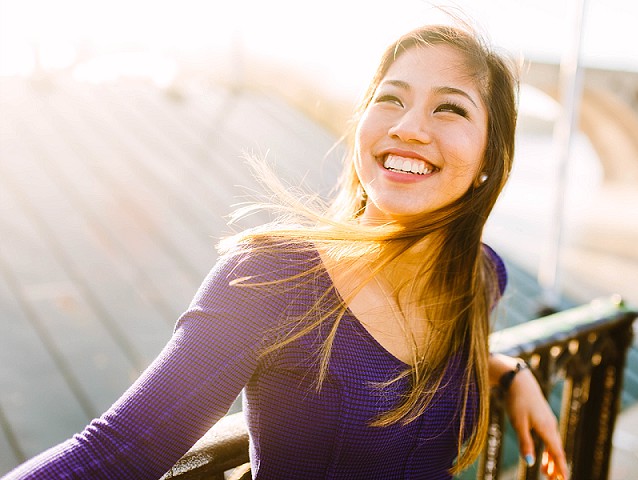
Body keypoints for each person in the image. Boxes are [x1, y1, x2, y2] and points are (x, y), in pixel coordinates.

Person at [2, 23, 568, 480]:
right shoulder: (273, 279)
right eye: (390, 99)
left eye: (451, 108)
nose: (408, 127)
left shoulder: (477, 278)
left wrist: (510, 374)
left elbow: (433, 363)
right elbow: (120, 452)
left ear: (489, 161)